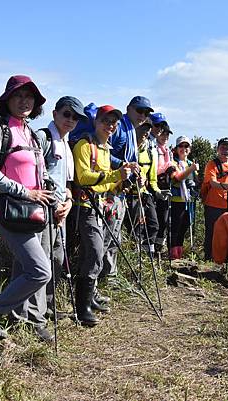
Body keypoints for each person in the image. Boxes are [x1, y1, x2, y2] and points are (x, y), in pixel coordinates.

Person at [0, 75, 55, 342]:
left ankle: (23, 323)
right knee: (40, 271)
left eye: (29, 96)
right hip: (8, 211)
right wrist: (26, 192)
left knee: (24, 268)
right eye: (19, 96)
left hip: (35, 211)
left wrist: (51, 193)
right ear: (7, 100)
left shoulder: (31, 134)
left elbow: (40, 173)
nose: (24, 101)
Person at [72, 105, 133, 326]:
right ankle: (82, 309)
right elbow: (83, 177)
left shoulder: (106, 149)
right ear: (96, 122)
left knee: (96, 253)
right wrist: (117, 174)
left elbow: (107, 182)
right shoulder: (84, 145)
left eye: (114, 123)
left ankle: (88, 301)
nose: (111, 126)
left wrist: (123, 183)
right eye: (106, 121)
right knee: (95, 252)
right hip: (85, 207)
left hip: (101, 206)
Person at [36, 96, 88, 319]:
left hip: (60, 212)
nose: (71, 120)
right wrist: (56, 203)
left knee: (57, 260)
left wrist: (68, 203)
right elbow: (36, 175)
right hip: (44, 210)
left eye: (75, 117)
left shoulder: (67, 143)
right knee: (43, 261)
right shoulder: (43, 137)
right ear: (55, 113)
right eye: (67, 114)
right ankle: (35, 313)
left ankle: (48, 307)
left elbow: (66, 183)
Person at [98, 96, 152, 279]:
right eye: (140, 111)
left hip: (120, 192)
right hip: (110, 192)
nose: (143, 115)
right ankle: (101, 278)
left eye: (146, 113)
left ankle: (108, 276)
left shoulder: (130, 130)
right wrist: (124, 165)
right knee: (108, 237)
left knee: (114, 236)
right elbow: (104, 156)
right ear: (129, 109)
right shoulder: (121, 129)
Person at [125, 121, 164, 256]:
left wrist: (157, 191)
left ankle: (148, 255)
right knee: (135, 228)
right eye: (143, 129)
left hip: (144, 193)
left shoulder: (150, 151)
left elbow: (152, 177)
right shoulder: (128, 148)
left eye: (148, 129)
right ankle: (135, 254)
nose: (145, 132)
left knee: (154, 225)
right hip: (129, 193)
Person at [202, 137, 228, 261]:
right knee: (212, 232)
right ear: (218, 149)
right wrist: (225, 186)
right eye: (223, 147)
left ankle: (225, 258)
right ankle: (209, 258)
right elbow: (212, 182)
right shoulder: (212, 164)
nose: (226, 150)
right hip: (213, 205)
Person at [168, 136, 199, 260]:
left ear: (190, 149)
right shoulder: (173, 162)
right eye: (181, 146)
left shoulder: (191, 163)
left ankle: (179, 251)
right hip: (176, 199)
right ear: (176, 148)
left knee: (185, 225)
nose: (184, 149)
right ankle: (172, 252)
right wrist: (190, 170)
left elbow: (196, 181)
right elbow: (175, 179)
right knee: (175, 226)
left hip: (189, 199)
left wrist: (195, 183)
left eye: (186, 146)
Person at [151, 114, 173, 254]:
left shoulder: (167, 151)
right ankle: (152, 246)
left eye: (167, 134)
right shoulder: (154, 148)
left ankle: (159, 245)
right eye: (163, 133)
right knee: (155, 219)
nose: (165, 137)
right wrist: (167, 169)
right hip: (155, 185)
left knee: (164, 219)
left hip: (165, 186)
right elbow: (155, 168)